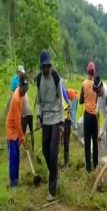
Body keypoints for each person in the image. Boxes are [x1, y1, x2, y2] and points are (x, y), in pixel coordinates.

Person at [36, 50, 64, 202]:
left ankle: (52, 190)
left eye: (48, 66)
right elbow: (39, 101)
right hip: (45, 118)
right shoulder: (39, 78)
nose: (47, 69)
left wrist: (61, 122)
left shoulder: (55, 77)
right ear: (41, 67)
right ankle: (54, 172)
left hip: (56, 118)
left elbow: (61, 100)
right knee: (46, 151)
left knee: (53, 152)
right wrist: (39, 117)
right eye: (44, 67)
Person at [5, 73, 29, 187]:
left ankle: (16, 179)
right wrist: (22, 137)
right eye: (24, 89)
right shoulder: (15, 99)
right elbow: (17, 121)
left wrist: (21, 136)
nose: (25, 92)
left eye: (26, 89)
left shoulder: (21, 95)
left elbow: (20, 117)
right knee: (13, 156)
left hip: (16, 127)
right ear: (20, 86)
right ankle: (12, 182)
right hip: (11, 128)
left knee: (17, 156)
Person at [79, 61, 98, 173]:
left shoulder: (84, 83)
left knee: (87, 142)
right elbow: (98, 100)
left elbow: (81, 100)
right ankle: (96, 165)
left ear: (87, 71)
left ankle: (88, 168)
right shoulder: (96, 84)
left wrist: (86, 98)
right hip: (95, 116)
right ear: (94, 72)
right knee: (95, 142)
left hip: (87, 116)